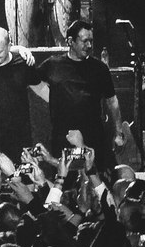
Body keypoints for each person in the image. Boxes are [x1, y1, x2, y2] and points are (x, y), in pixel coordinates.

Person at [32, 19, 129, 178]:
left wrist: (119, 132)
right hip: (63, 137)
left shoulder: (99, 68)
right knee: (65, 180)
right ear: (70, 41)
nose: (89, 45)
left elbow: (112, 101)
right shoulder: (53, 64)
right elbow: (32, 81)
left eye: (91, 41)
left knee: (95, 179)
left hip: (93, 137)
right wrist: (51, 97)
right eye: (84, 41)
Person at [0, 26, 44, 162]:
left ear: (9, 46)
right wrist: (18, 48)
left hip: (19, 135)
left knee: (22, 172)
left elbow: (39, 87)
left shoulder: (23, 63)